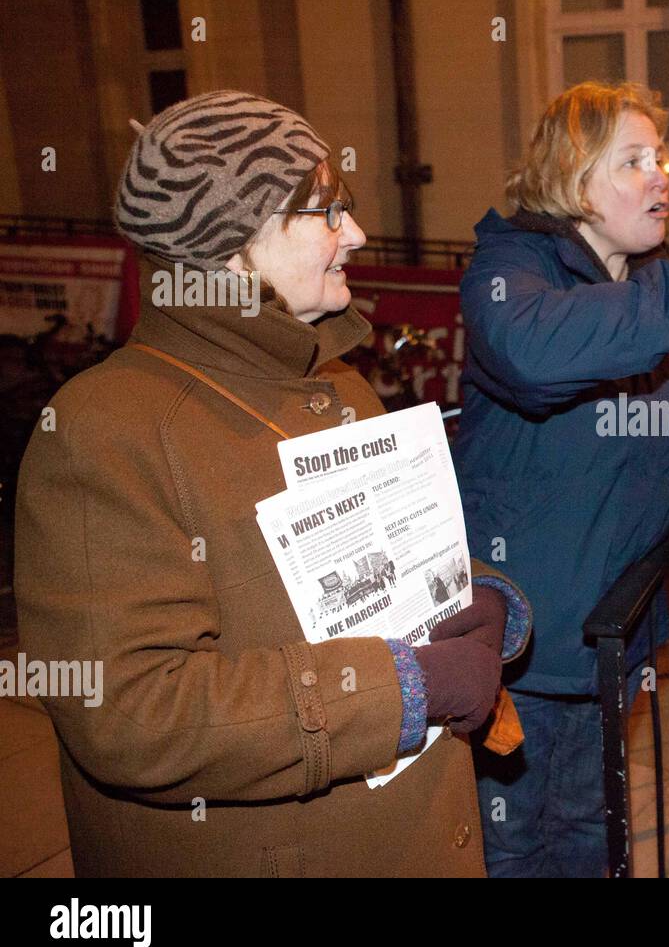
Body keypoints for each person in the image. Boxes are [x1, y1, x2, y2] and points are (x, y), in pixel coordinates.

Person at [15, 90, 531, 877]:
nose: (353, 233)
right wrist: (403, 690)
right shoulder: (104, 428)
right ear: (229, 246)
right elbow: (128, 710)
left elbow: (389, 561)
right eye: (325, 212)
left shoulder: (336, 382)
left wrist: (482, 595)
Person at [454, 81, 669, 876]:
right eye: (634, 161)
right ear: (574, 178)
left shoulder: (659, 287)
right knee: (512, 845)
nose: (662, 178)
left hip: (609, 638)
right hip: (519, 643)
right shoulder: (511, 268)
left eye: (663, 160)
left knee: (593, 829)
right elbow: (536, 356)